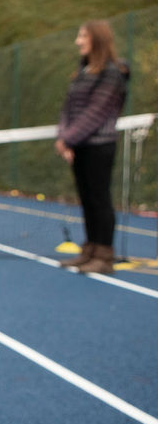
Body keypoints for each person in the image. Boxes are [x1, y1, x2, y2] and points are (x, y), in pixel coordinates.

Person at [55, 20, 129, 275]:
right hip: (79, 147)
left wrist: (68, 139)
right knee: (87, 199)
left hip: (100, 147)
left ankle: (104, 256)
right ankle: (89, 250)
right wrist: (63, 137)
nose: (78, 41)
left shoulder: (113, 74)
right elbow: (68, 109)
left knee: (100, 199)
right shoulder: (83, 72)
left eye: (82, 36)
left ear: (96, 40)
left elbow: (96, 112)